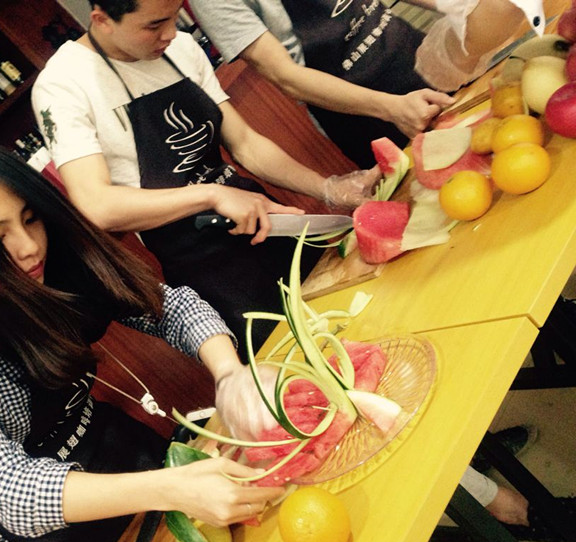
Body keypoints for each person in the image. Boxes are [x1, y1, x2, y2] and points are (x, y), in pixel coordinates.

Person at [0, 136, 285, 542]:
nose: (29, 247)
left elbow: (168, 308)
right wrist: (170, 488)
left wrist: (230, 374)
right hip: (61, 525)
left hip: (124, 451)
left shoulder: (55, 256)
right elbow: (6, 488)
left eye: (30, 218)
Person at [31, 0, 381, 355]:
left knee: (365, 322)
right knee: (300, 361)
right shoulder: (64, 85)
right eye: (154, 26)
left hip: (264, 223)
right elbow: (96, 204)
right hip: (207, 266)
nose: (170, 34)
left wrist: (328, 187)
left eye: (174, 17)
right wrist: (211, 194)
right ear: (102, 20)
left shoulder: (180, 48)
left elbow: (245, 143)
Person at [188, 0, 544, 167]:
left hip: (409, 52)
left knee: (523, 147)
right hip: (365, 112)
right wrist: (392, 108)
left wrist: (463, 8)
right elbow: (286, 76)